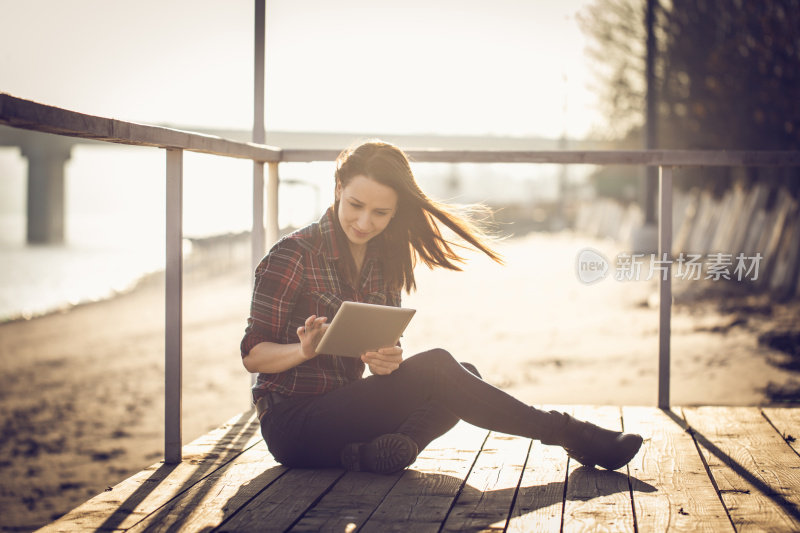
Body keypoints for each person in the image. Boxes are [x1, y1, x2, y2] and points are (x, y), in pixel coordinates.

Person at [240, 140, 642, 475]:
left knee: (464, 374)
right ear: (338, 187)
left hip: (346, 419)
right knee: (438, 368)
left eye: (381, 213)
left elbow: (386, 351)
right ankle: (571, 434)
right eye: (355, 205)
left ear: (396, 211)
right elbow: (253, 356)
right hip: (293, 426)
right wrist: (304, 351)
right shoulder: (292, 255)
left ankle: (374, 455)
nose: (364, 222)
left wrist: (386, 360)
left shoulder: (385, 261)